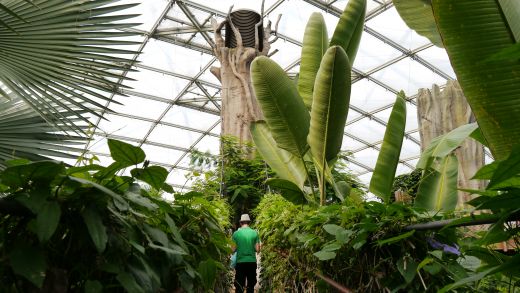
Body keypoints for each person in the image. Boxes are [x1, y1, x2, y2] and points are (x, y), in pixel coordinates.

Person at [232, 214, 260, 293]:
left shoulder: (236, 234)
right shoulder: (254, 233)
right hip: (251, 262)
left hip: (240, 262)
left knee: (239, 286)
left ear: (241, 223)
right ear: (249, 223)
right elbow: (257, 249)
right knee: (251, 286)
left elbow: (233, 250)